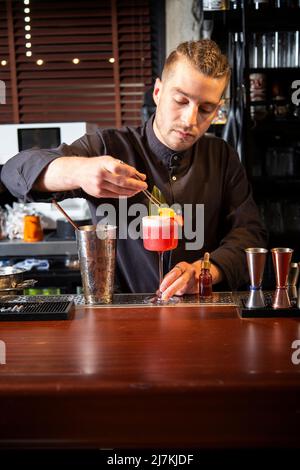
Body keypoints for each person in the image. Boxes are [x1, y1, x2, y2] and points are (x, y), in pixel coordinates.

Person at [1, 39, 267, 300]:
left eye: (205, 109)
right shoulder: (109, 146)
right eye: (180, 101)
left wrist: (207, 271)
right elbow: (13, 172)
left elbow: (249, 236)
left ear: (218, 109)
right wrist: (79, 170)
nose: (190, 120)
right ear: (158, 92)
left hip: (202, 316)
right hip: (120, 316)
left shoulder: (222, 157)